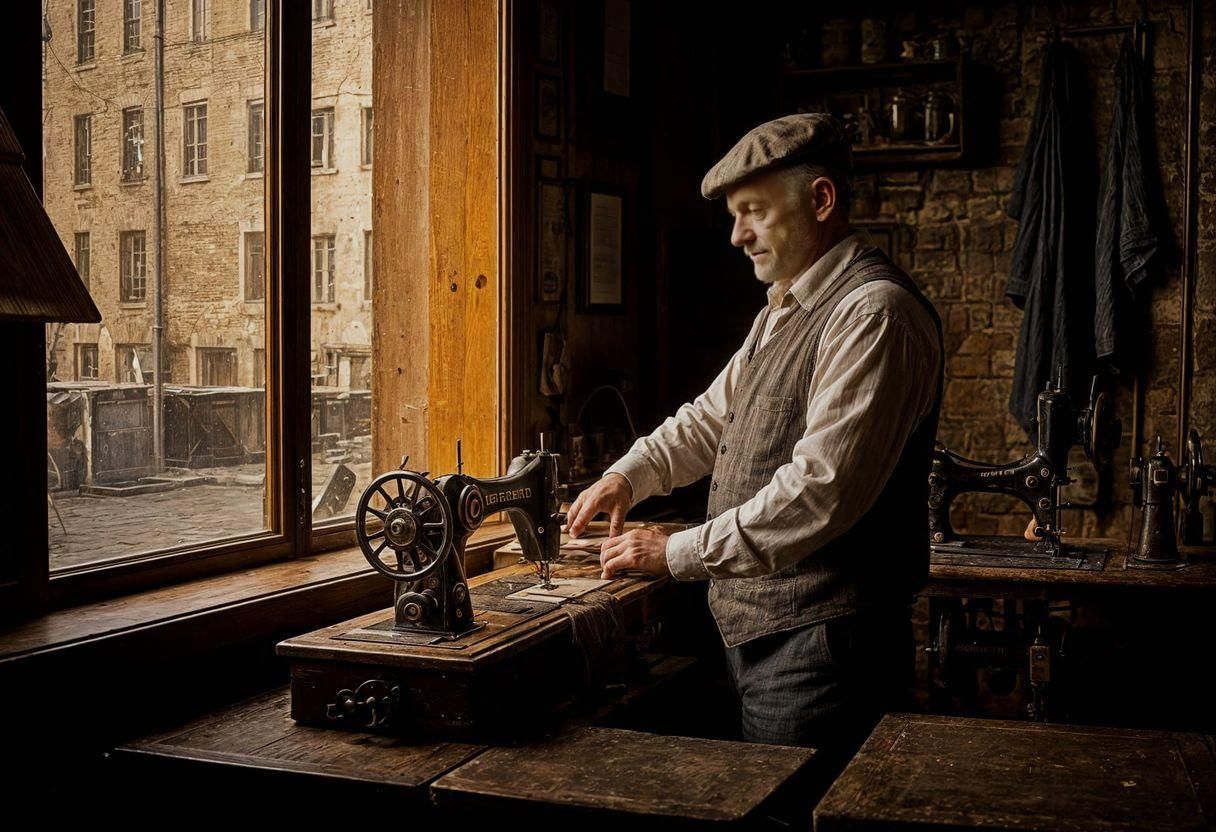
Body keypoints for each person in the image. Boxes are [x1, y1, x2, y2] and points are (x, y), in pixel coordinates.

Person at [564, 113, 944, 775]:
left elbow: (818, 495)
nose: (737, 235)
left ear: (821, 200)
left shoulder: (873, 314)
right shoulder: (784, 308)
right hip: (772, 642)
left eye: (754, 213)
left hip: (826, 648)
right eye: (736, 215)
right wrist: (630, 474)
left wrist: (673, 549)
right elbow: (712, 419)